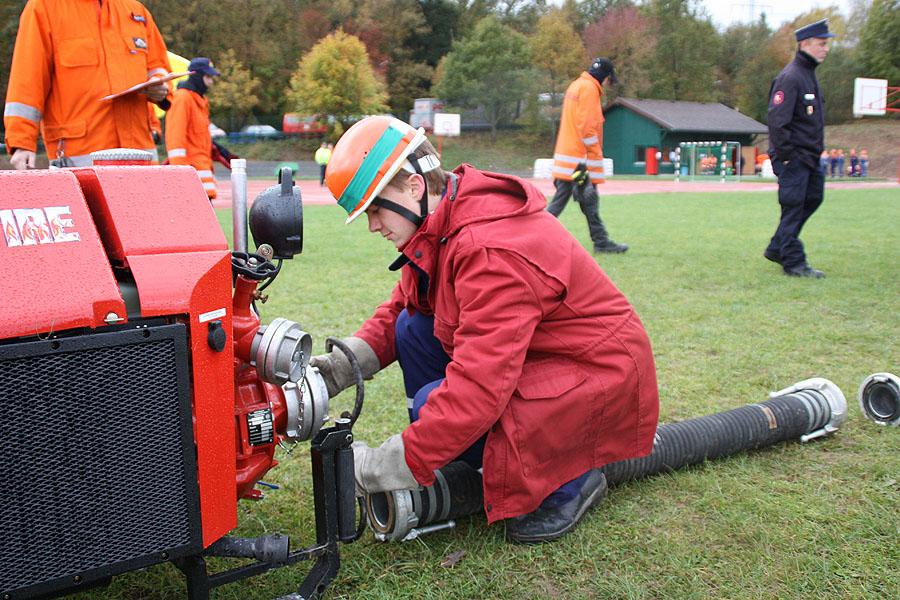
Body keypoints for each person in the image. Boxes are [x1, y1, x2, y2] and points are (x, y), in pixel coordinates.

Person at [311, 116, 659, 543]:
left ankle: (573, 483)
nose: (373, 226)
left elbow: (479, 389)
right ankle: (469, 454)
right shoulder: (443, 219)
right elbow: (404, 306)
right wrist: (335, 372)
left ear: (414, 188)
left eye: (376, 209)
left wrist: (382, 466)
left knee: (430, 405)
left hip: (594, 375)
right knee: (412, 327)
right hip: (551, 358)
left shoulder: (488, 250)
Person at [4, 0, 172, 169]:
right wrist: (22, 142)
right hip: (79, 159)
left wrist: (161, 88)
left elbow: (159, 67)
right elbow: (27, 77)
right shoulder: (45, 7)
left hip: (139, 156)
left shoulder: (136, 11)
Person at [763, 18, 834, 279]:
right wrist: (788, 158)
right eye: (821, 44)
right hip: (795, 158)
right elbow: (778, 121)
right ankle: (793, 261)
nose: (826, 49)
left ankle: (776, 246)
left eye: (827, 44)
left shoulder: (808, 75)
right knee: (794, 206)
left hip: (810, 157)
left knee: (813, 198)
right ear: (805, 44)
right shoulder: (791, 77)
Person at [547, 58, 628, 254]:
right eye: (609, 79)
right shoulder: (590, 90)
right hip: (579, 163)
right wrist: (593, 157)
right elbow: (588, 128)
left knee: (570, 202)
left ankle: (600, 241)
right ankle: (601, 242)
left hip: (568, 159)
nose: (609, 83)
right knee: (588, 201)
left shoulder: (576, 85)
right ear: (605, 77)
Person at [165, 57, 221, 199]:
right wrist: (180, 174)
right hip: (190, 177)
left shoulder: (200, 101)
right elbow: (175, 138)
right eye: (208, 76)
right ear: (197, 75)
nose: (211, 81)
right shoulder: (183, 98)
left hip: (200, 172)